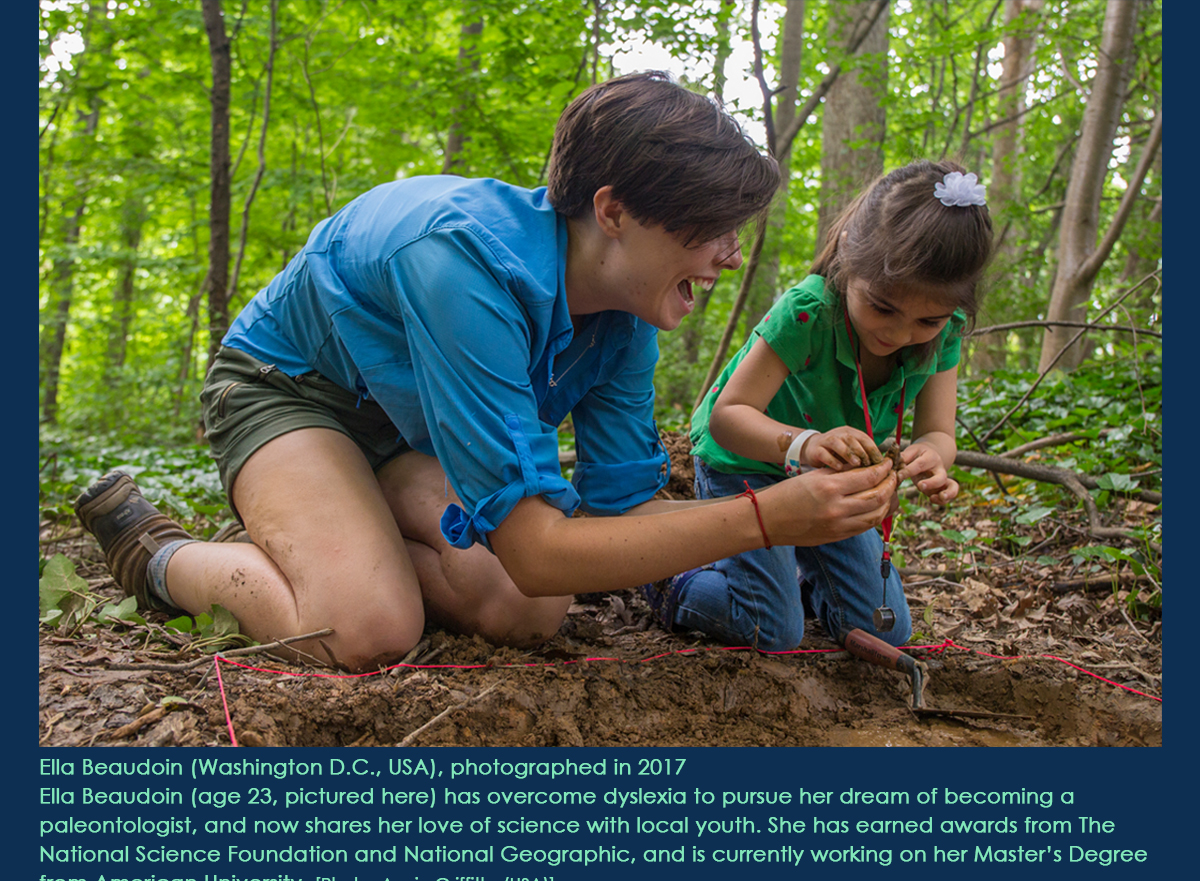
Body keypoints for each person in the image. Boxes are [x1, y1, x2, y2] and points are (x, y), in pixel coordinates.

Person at [75, 71, 898, 673]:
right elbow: (543, 547)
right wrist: (768, 519)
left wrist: (789, 493)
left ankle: (329, 538)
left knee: (530, 610)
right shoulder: (458, 260)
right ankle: (161, 556)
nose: (729, 255)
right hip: (290, 392)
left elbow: (618, 513)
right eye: (712, 229)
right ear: (612, 211)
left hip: (404, 430)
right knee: (367, 630)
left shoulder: (626, 313)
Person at [645, 160, 994, 652]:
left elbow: (939, 432)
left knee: (884, 627)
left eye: (927, 321)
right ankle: (665, 575)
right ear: (850, 255)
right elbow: (728, 418)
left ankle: (798, 581)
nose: (897, 335)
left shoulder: (948, 331)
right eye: (882, 307)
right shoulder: (808, 311)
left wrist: (934, 456)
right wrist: (805, 446)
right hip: (749, 460)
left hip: (830, 479)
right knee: (770, 630)